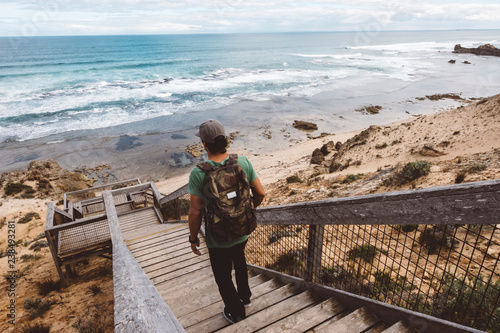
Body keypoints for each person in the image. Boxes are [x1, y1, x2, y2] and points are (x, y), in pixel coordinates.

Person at [188, 119, 265, 324]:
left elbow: (195, 213)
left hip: (218, 238)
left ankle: (236, 312)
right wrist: (247, 210)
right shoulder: (243, 162)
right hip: (242, 229)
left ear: (204, 144)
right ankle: (245, 297)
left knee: (223, 276)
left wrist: (193, 239)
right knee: (239, 259)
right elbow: (261, 193)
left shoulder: (199, 173)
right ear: (225, 140)